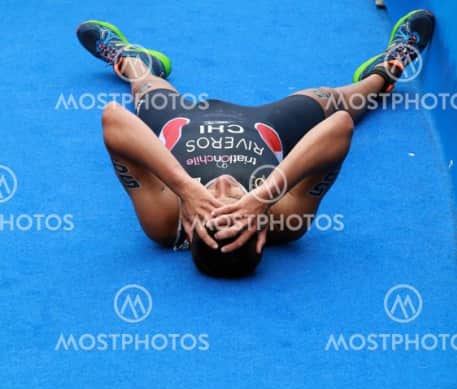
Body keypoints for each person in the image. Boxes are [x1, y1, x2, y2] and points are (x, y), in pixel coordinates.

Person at [76, 10, 435, 277]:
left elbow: (114, 119)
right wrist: (262, 198)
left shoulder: (164, 223)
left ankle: (133, 61)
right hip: (265, 128)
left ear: (190, 228)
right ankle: (388, 69)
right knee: (341, 100)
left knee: (145, 90)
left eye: (210, 203)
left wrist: (185, 189)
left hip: (181, 125)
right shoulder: (286, 220)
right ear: (261, 235)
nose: (221, 184)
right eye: (232, 200)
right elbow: (339, 128)